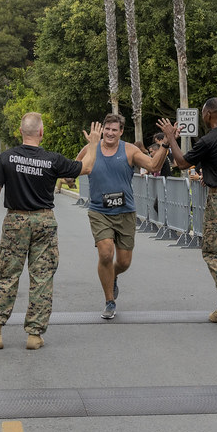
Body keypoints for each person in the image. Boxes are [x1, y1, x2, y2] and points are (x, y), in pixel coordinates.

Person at [0, 114, 102, 351]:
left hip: (15, 220)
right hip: (44, 220)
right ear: (41, 133)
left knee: (7, 275)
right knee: (42, 277)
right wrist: (93, 144)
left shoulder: (6, 158)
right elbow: (86, 167)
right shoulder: (52, 160)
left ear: (20, 131)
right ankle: (34, 335)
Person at [158, 97, 217, 329]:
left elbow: (181, 163)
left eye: (203, 113)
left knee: (213, 252)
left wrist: (171, 138)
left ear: (208, 114)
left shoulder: (208, 140)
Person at [75, 113, 171, 319]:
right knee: (106, 253)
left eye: (114, 130)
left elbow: (154, 166)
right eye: (106, 129)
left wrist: (166, 145)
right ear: (102, 130)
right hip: (99, 211)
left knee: (124, 262)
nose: (110, 133)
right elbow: (74, 168)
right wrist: (66, 177)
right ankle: (109, 301)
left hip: (125, 212)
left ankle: (113, 275)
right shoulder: (90, 148)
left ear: (120, 132)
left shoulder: (129, 150)